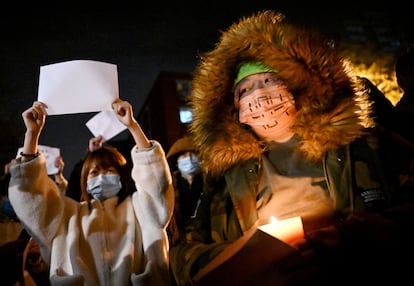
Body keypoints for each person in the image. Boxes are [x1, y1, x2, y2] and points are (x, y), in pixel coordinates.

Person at [170, 10, 414, 286]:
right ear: (233, 109)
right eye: (244, 90)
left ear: (298, 86)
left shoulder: (365, 145)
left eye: (269, 81)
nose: (259, 95)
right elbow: (182, 257)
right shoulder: (223, 179)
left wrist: (349, 241)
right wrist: (239, 260)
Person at [8, 99, 175, 285]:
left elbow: (156, 183)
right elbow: (32, 199)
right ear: (84, 181)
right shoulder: (68, 214)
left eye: (110, 170)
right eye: (94, 172)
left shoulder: (139, 208)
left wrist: (133, 127)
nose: (102, 175)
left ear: (122, 175)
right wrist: (31, 135)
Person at [166, 136, 203, 246]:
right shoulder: (170, 186)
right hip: (180, 239)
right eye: (184, 155)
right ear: (176, 161)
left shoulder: (210, 181)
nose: (190, 158)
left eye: (193, 154)